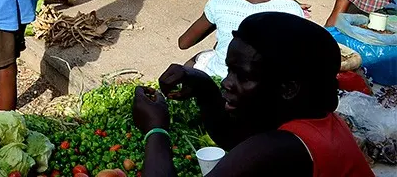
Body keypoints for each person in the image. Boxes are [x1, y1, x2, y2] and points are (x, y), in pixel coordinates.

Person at [134, 12, 374, 177]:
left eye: (243, 76)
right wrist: (203, 85)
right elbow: (233, 138)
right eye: (229, 70)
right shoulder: (314, 120)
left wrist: (156, 129)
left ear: (289, 89)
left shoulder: (282, 148)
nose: (227, 83)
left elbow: (253, 151)